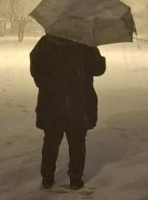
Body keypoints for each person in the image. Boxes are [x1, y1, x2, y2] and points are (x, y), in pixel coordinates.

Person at [29, 34, 106, 190]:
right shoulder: (85, 43)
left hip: (52, 101)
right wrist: (97, 56)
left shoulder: (46, 42)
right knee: (77, 141)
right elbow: (99, 69)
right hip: (78, 102)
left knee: (51, 139)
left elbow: (35, 67)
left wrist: (45, 84)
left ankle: (47, 177)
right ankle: (75, 179)